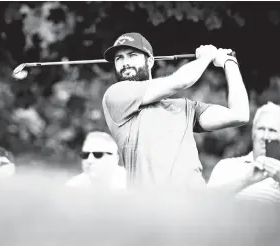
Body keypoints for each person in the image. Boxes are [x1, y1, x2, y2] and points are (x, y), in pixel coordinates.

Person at [102, 32, 249, 190]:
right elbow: (180, 81)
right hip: (150, 207)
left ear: (150, 61)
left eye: (132, 55)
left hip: (195, 206)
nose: (125, 63)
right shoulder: (116, 95)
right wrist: (206, 57)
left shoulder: (185, 107)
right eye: (119, 58)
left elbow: (239, 115)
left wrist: (230, 62)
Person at [207, 102, 280, 203]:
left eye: (272, 130)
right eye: (261, 129)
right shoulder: (226, 167)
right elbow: (205, 204)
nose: (265, 136)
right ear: (253, 132)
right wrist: (247, 180)